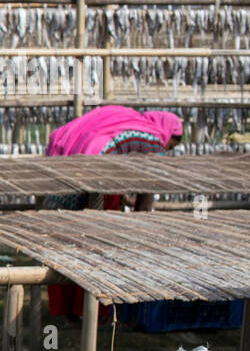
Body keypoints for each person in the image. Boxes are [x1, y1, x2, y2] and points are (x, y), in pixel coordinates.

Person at [44, 105, 183, 318]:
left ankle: (63, 311)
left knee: (63, 244)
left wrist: (126, 197)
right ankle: (91, 313)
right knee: (98, 250)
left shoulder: (126, 120)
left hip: (66, 173)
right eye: (171, 146)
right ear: (169, 133)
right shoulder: (154, 140)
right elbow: (146, 201)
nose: (167, 150)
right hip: (96, 181)